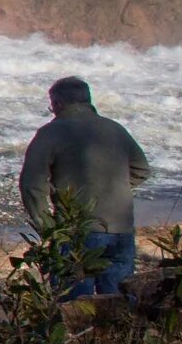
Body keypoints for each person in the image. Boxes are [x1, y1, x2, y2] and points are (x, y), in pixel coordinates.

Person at [20, 76, 153, 299]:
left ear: (58, 104)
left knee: (74, 307)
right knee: (118, 303)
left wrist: (47, 227)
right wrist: (112, 187)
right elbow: (141, 170)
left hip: (77, 231)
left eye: (52, 106)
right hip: (121, 229)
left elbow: (32, 184)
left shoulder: (52, 132)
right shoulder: (115, 129)